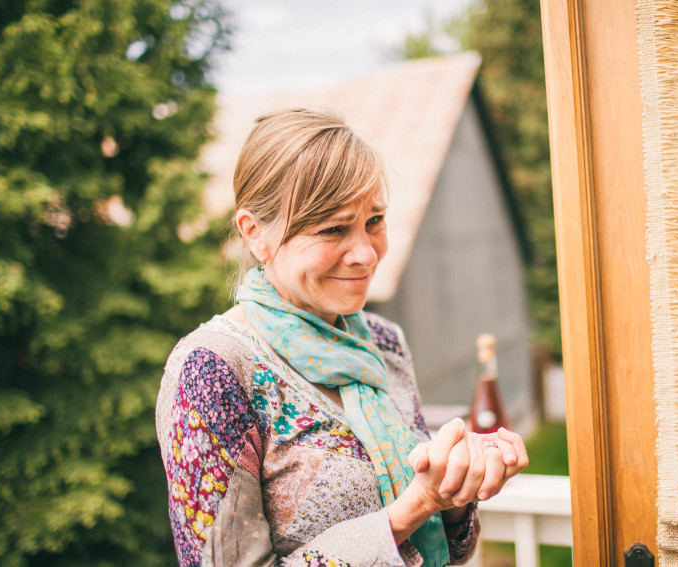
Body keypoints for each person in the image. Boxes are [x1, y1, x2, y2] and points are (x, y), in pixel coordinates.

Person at [155, 109, 529, 567]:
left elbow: (450, 550)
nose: (366, 253)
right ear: (256, 235)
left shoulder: (383, 343)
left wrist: (454, 485)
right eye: (333, 229)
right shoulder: (212, 370)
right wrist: (413, 508)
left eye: (375, 220)